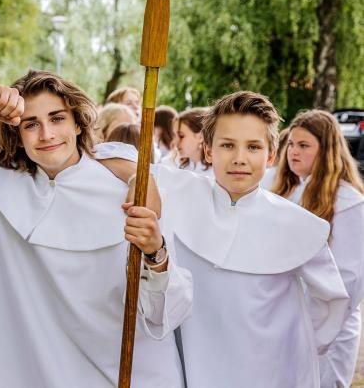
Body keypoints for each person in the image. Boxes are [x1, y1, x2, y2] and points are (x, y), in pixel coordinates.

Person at [0, 70, 192, 388]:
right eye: (31, 124)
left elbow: (165, 316)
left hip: (115, 374)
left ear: (77, 123)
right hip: (22, 373)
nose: (46, 134)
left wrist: (156, 255)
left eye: (57, 118)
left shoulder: (133, 193)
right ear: (15, 132)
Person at [97, 91, 350, 388]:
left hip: (274, 367)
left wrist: (302, 343)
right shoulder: (182, 191)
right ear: (207, 151)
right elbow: (102, 153)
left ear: (271, 154)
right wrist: (140, 178)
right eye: (227, 145)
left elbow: (332, 300)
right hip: (199, 362)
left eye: (253, 147)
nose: (239, 158)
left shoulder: (299, 225)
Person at [264, 109, 364, 388]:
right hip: (289, 321)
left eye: (304, 145)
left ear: (326, 151)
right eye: (292, 144)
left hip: (328, 331)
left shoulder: (348, 201)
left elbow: (349, 280)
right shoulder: (289, 190)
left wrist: (316, 333)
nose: (293, 152)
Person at [175, 107, 213, 177]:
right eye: (175, 135)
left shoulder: (215, 174)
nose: (175, 142)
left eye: (181, 136)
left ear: (201, 137)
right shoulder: (178, 167)